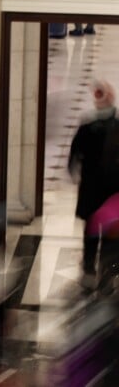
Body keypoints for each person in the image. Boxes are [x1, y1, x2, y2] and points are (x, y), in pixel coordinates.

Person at [69, 79, 119, 288]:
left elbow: (74, 156)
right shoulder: (92, 127)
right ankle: (100, 270)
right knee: (102, 233)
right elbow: (74, 155)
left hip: (98, 190)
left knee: (95, 233)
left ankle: (93, 269)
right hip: (107, 191)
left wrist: (73, 172)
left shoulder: (88, 127)